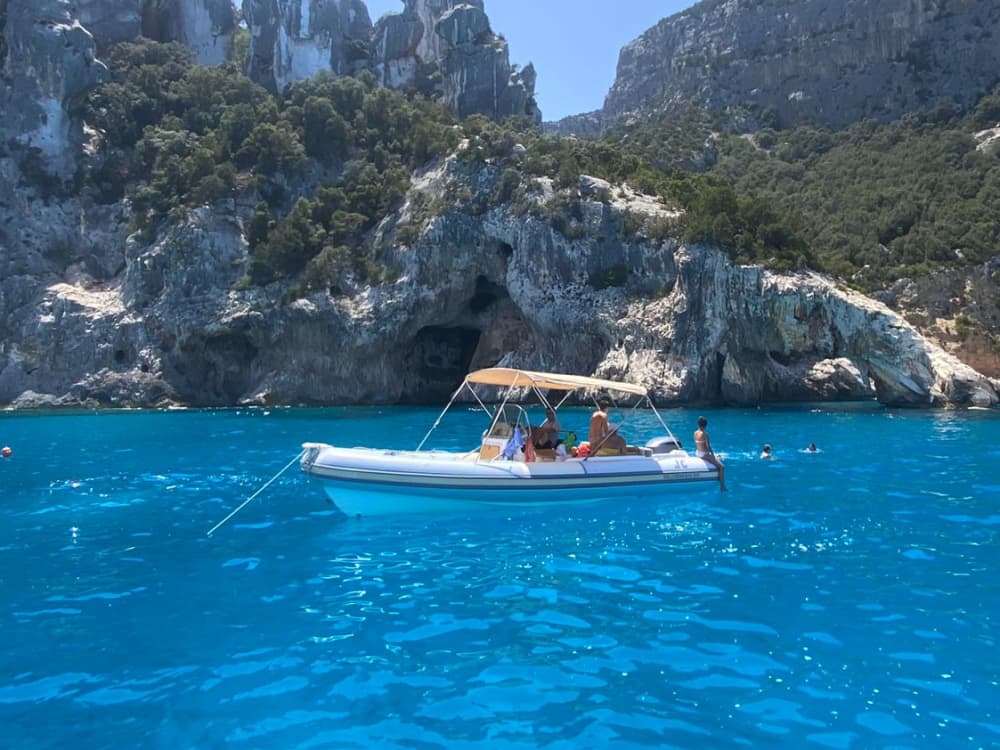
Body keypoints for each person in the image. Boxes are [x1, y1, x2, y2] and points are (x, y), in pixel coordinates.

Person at [694, 416, 727, 491]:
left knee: (718, 456)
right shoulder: (705, 434)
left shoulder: (695, 433)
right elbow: (708, 448)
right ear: (705, 425)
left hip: (697, 452)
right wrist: (712, 456)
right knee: (722, 467)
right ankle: (722, 486)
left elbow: (699, 445)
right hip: (704, 454)